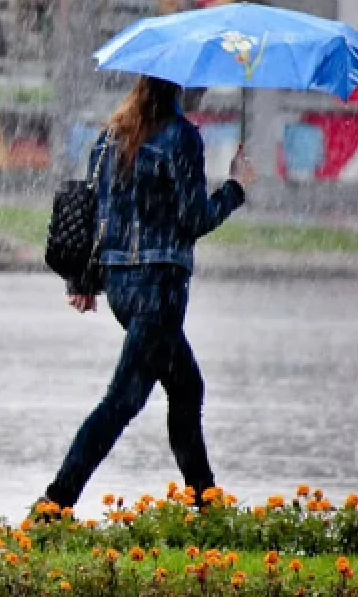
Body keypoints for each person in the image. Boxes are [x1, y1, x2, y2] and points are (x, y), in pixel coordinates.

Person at [36, 75, 256, 515]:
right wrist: (235, 188)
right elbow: (194, 219)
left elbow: (94, 217)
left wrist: (82, 280)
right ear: (182, 88)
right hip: (160, 291)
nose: (205, 91)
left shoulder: (109, 137)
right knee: (124, 401)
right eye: (200, 84)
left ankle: (206, 503)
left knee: (187, 387)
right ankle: (55, 502)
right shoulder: (181, 137)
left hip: (121, 288)